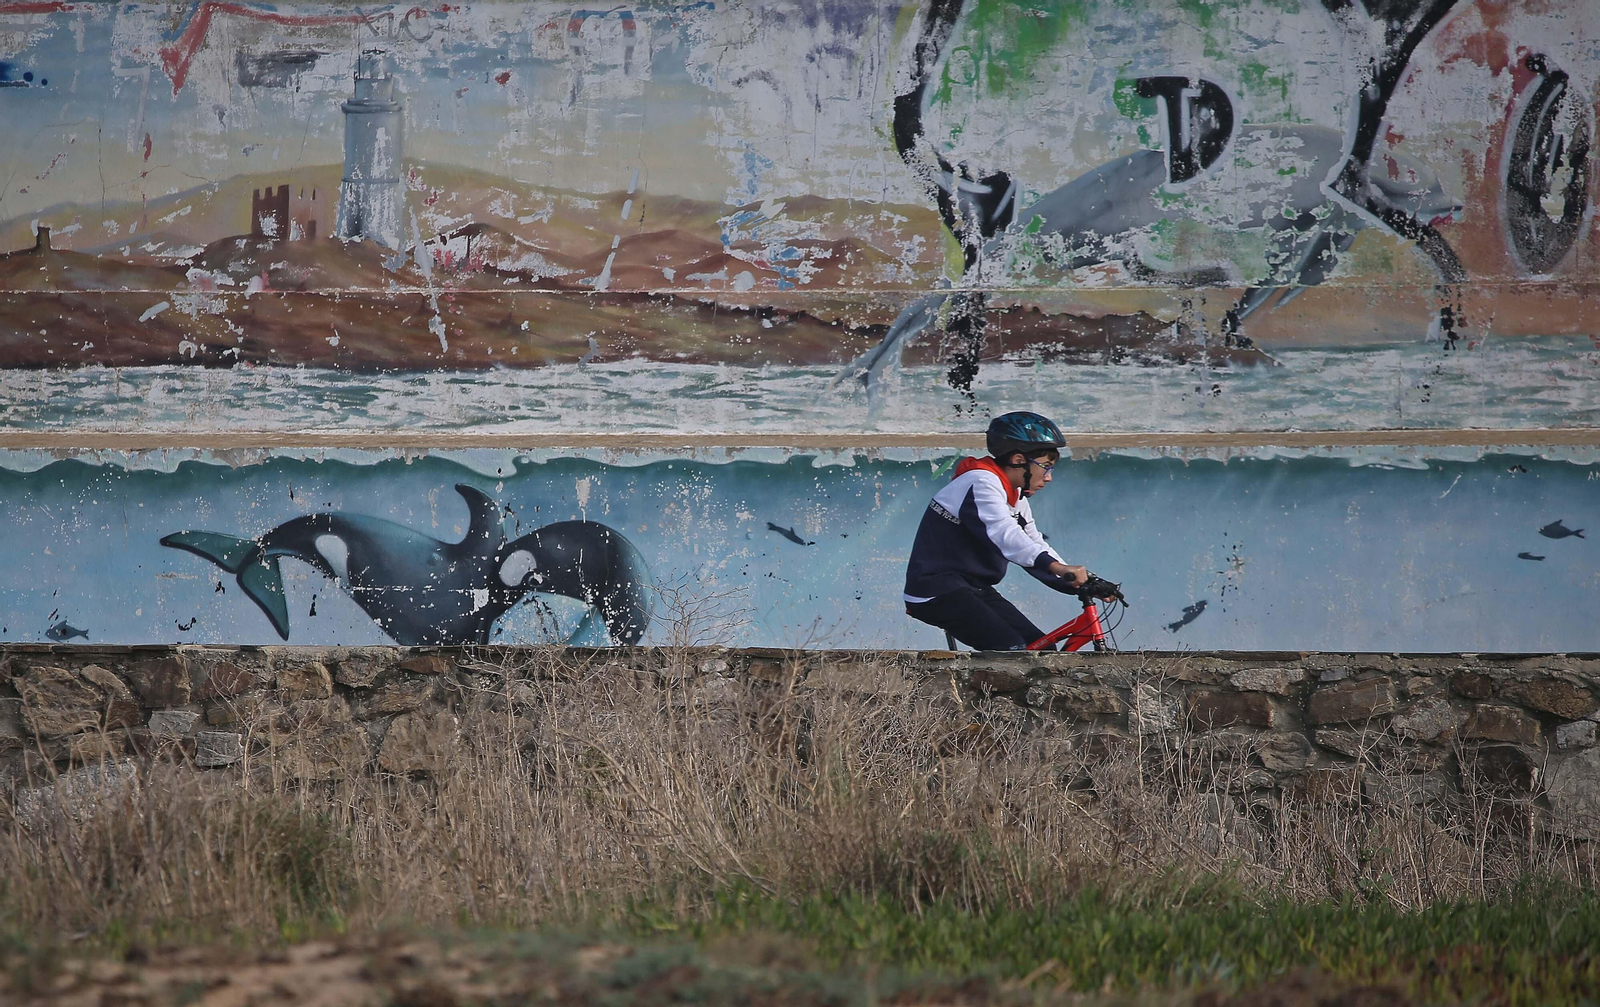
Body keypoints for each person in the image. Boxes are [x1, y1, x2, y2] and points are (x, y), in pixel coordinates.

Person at [904, 411, 1088, 650]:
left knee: (1043, 649)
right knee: (1012, 650)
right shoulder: (981, 482)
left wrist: (1080, 582)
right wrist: (1057, 568)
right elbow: (1004, 534)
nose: (1049, 477)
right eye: (1045, 467)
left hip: (973, 588)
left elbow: (1033, 543)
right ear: (1019, 460)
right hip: (937, 589)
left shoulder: (1015, 496)